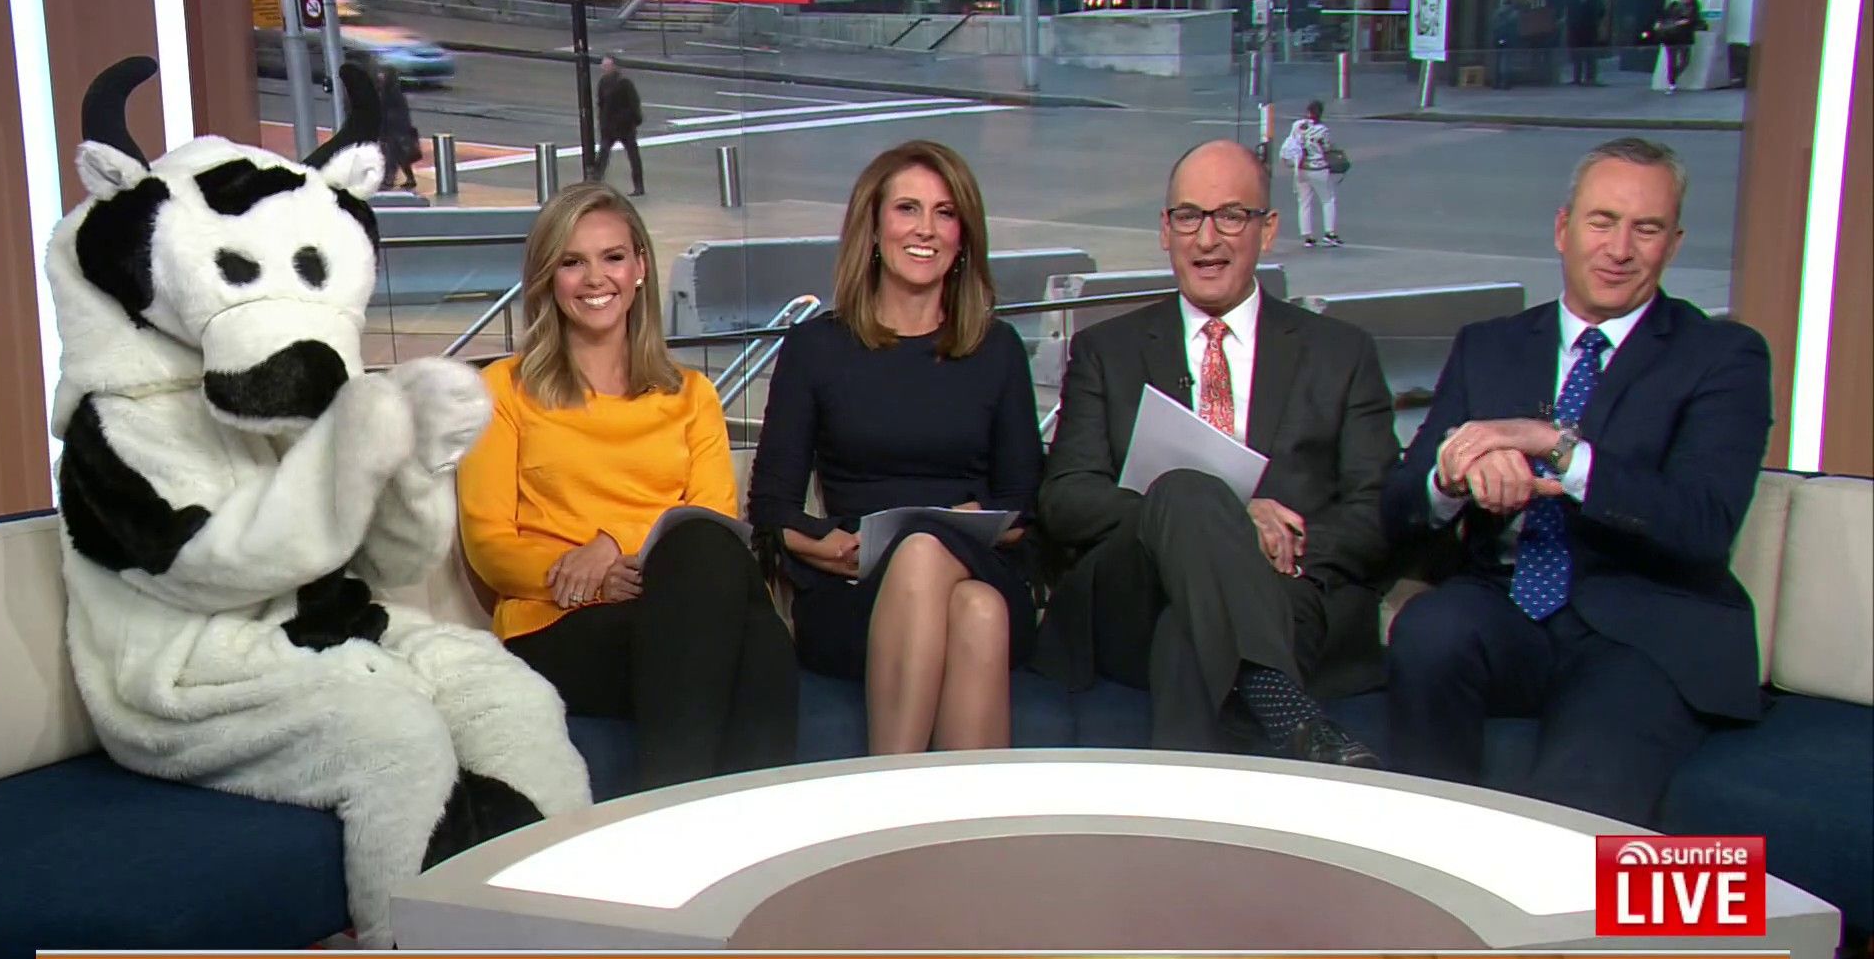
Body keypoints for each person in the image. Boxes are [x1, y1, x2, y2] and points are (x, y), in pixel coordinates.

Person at [1380, 137, 1772, 826]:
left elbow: (1704, 524)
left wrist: (1558, 449)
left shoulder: (1723, 355)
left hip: (1643, 628)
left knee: (1573, 801)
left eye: (1645, 229)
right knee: (1429, 631)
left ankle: (1548, 893)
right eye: (1602, 221)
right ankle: (1427, 859)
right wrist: (1453, 472)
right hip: (1504, 608)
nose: (1619, 249)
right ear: (1564, 228)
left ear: (1673, 245)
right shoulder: (1489, 345)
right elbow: (1399, 505)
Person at [1033, 140, 1396, 767]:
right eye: (1188, 216)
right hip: (1134, 596)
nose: (1207, 239)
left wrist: (1275, 548)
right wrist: (1222, 521)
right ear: (1164, 230)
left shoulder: (1341, 353)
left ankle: (1191, 811)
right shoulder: (1107, 351)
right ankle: (1286, 709)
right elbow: (1066, 499)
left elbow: (1376, 509)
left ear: (1268, 229)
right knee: (1186, 489)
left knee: (1190, 634)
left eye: (1230, 216)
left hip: (1290, 596)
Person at [458, 182, 796, 789]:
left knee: (718, 572)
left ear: (640, 267)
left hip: (677, 603)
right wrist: (590, 579)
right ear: (547, 277)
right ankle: (722, 823)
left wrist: (615, 546)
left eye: (612, 257)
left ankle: (676, 811)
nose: (595, 279)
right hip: (556, 624)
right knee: (757, 641)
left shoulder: (692, 395)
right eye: (572, 262)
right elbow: (488, 544)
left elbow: (714, 525)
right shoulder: (503, 389)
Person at [748, 141, 1042, 755]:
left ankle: (889, 791)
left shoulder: (998, 349)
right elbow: (772, 507)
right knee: (977, 612)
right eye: (908, 209)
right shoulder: (815, 349)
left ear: (964, 236)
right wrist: (825, 545)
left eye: (945, 212)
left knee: (934, 557)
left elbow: (1023, 503)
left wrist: (961, 525)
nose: (926, 229)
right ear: (875, 228)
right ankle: (951, 815)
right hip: (855, 590)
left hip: (977, 560)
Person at [1283, 101, 1342, 249]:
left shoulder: (1298, 126)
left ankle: (1307, 236)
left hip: (1301, 169)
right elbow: (1327, 147)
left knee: (1304, 202)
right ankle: (1329, 233)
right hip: (1318, 169)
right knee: (1328, 200)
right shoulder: (1322, 130)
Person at [594, 56, 646, 196]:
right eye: (603, 66)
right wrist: (602, 123)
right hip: (609, 127)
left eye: (607, 66)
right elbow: (601, 104)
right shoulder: (603, 82)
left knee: (633, 156)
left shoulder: (624, 83)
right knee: (603, 155)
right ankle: (595, 182)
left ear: (614, 66)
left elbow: (634, 102)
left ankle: (639, 186)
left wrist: (635, 120)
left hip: (625, 126)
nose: (604, 68)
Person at [377, 67, 420, 190]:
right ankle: (409, 178)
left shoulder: (391, 93)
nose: (380, 76)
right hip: (395, 129)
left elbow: (388, 112)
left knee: (392, 156)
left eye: (383, 74)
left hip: (394, 130)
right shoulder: (389, 91)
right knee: (401, 157)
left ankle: (389, 180)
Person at [1658, 0, 1706, 94]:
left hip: (1684, 37)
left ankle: (1673, 77)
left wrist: (1687, 21)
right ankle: (1672, 82)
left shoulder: (1694, 8)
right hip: (1671, 36)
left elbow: (1694, 20)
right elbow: (1664, 15)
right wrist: (1662, 23)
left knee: (1684, 61)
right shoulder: (1674, 5)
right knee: (1672, 61)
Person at [1568, 0, 1606, 86]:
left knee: (1591, 55)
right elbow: (1571, 10)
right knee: (1577, 55)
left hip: (1590, 29)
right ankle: (1577, 78)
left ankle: (1590, 78)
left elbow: (1602, 10)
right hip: (1577, 29)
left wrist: (1596, 22)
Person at [1492, 0, 1521, 91]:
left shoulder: (1497, 12)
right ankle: (1505, 82)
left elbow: (1494, 26)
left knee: (1497, 60)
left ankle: (1496, 82)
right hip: (1508, 39)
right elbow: (1515, 28)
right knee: (1506, 60)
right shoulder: (1514, 13)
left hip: (1498, 38)